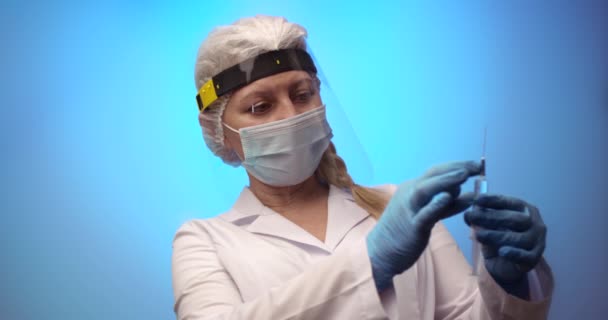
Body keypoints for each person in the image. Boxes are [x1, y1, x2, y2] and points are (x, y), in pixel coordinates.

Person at [172, 15, 554, 319]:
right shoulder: (205, 243)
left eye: (302, 95)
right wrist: (373, 262)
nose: (291, 115)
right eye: (260, 107)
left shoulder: (399, 208)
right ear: (220, 133)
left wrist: (509, 282)